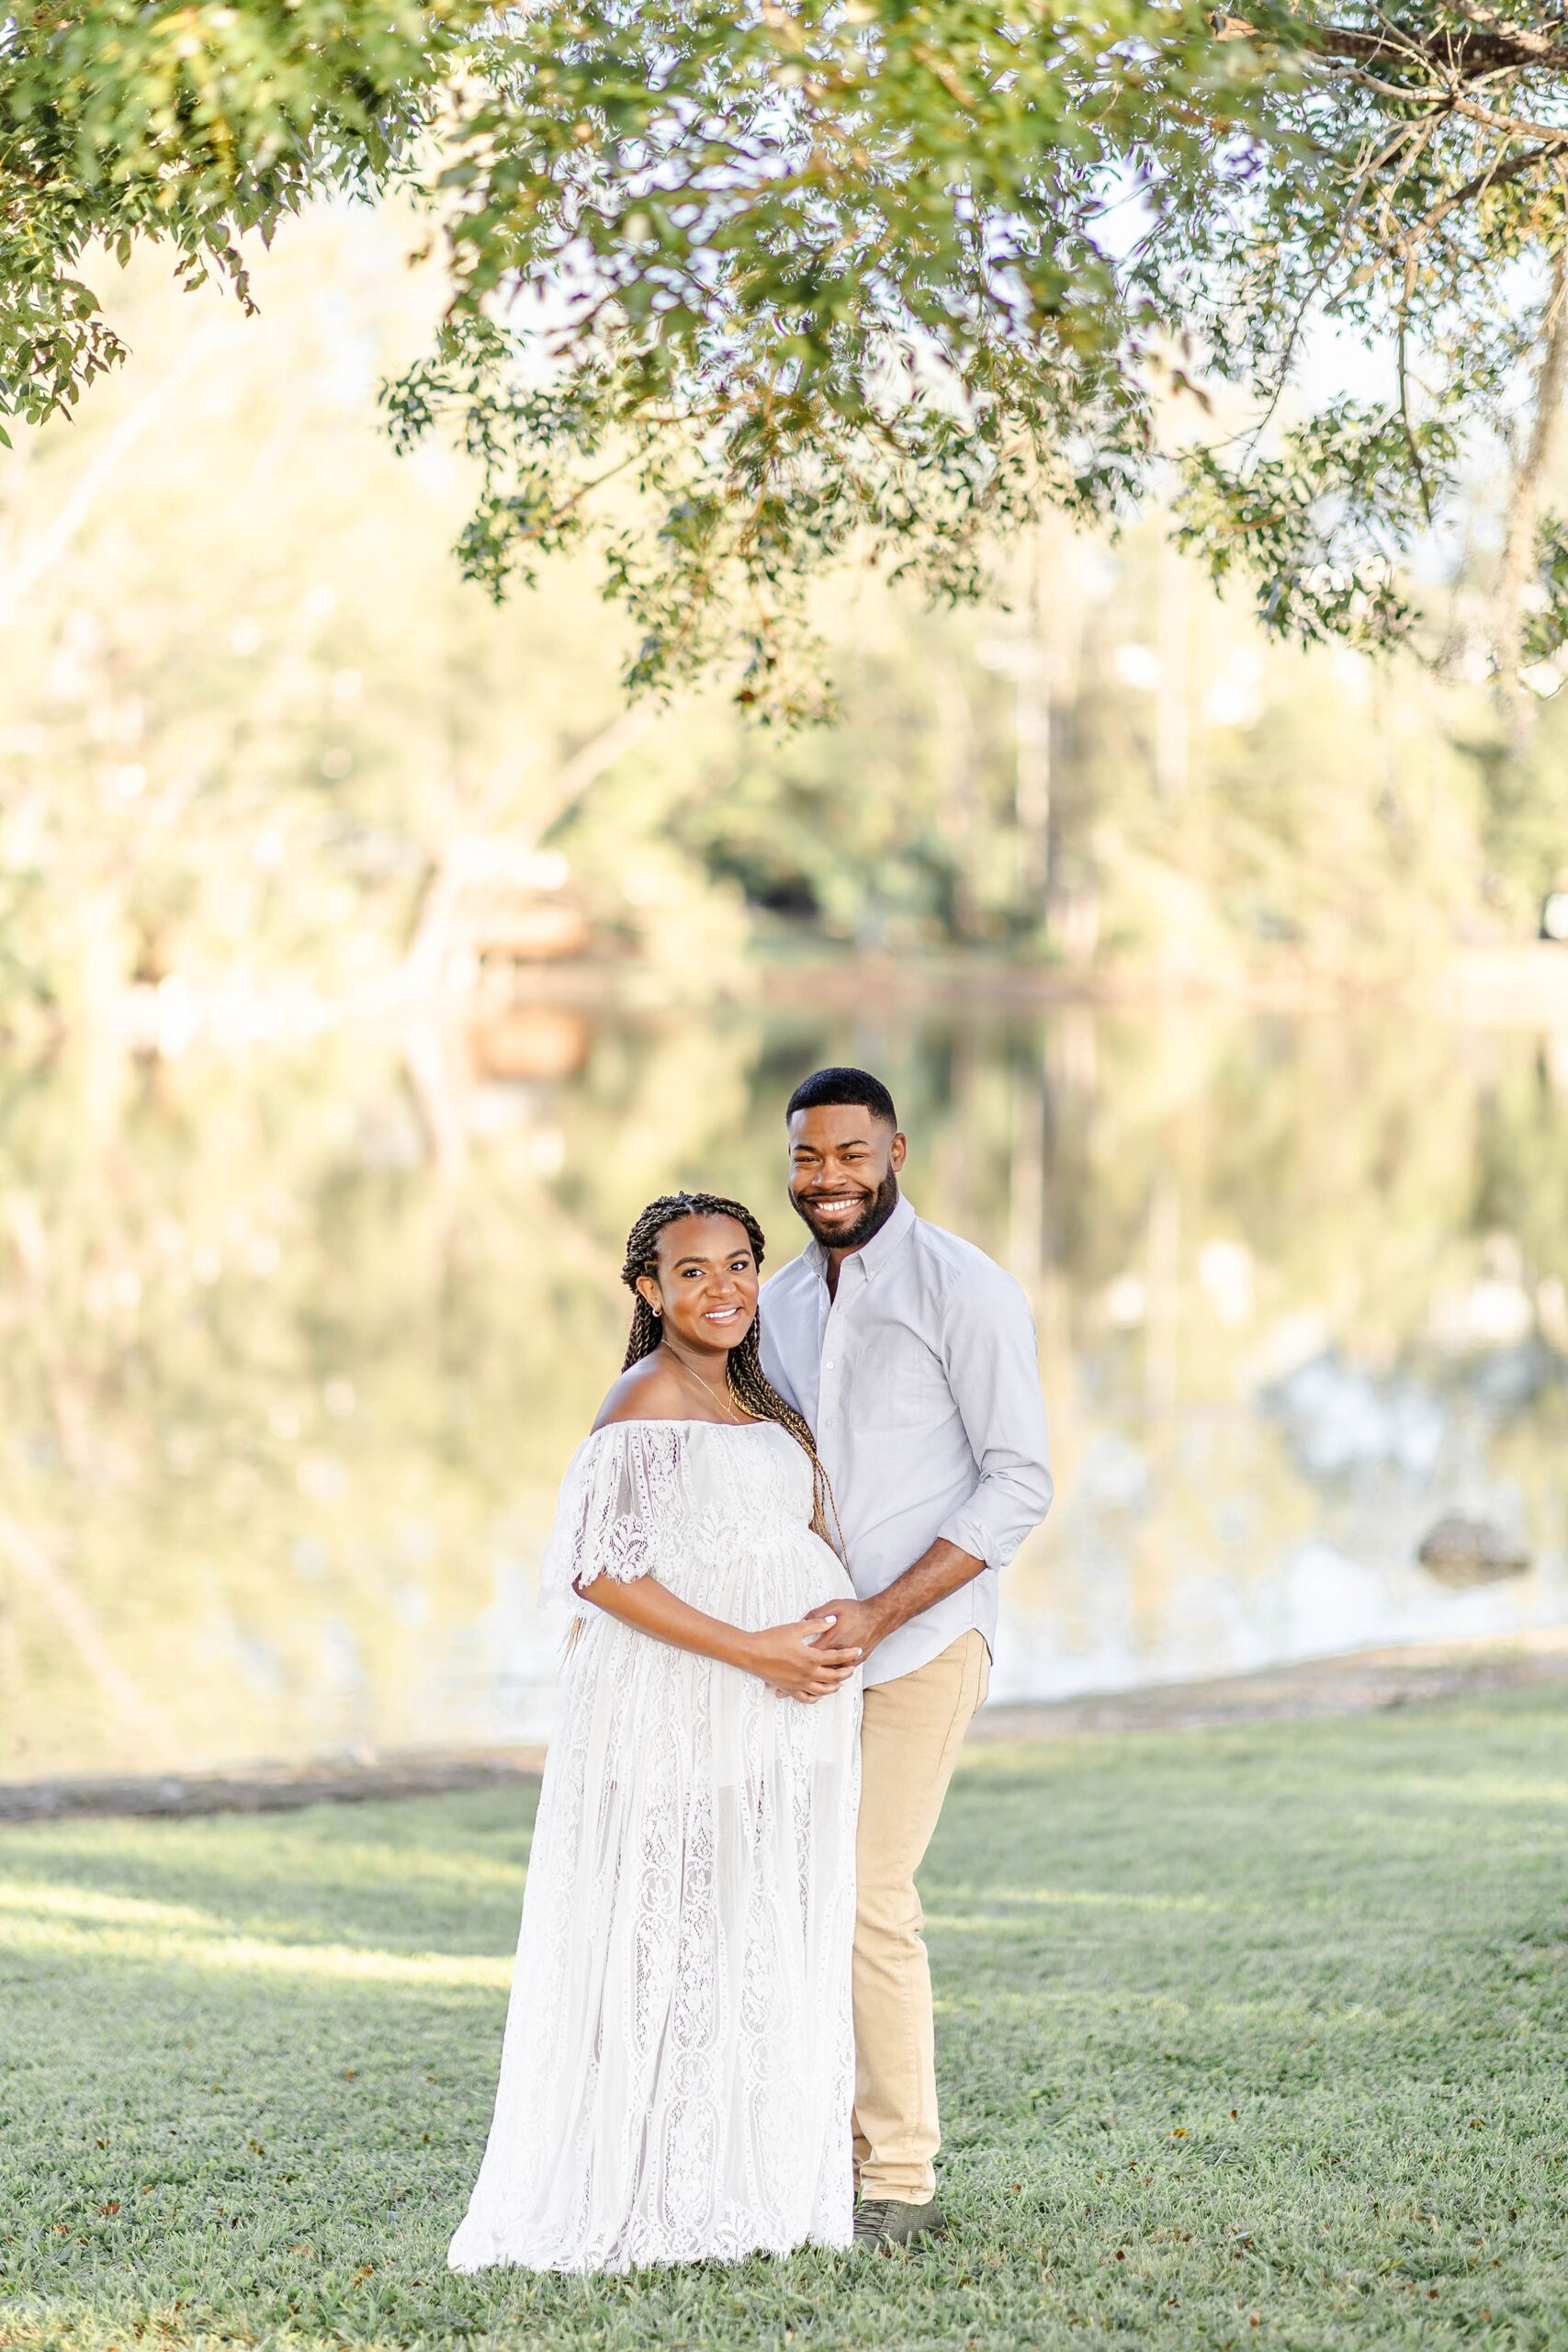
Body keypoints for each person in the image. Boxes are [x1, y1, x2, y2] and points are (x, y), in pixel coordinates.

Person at [448, 1192, 864, 2275]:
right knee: (671, 1938)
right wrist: (759, 1649)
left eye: (739, 1265)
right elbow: (598, 1571)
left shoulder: (752, 1398)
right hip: (691, 1707)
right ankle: (650, 2188)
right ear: (649, 1290)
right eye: (693, 1272)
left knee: (748, 1936)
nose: (722, 1288)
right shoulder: (641, 1402)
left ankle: (742, 2177)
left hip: (777, 1716)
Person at [760, 1067, 1054, 2250]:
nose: (828, 1178)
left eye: (850, 1154)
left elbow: (1020, 1478)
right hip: (807, 1652)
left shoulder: (963, 1288)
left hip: (925, 1638)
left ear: (897, 1152)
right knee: (797, 1899)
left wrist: (882, 1612)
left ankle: (901, 2183)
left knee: (870, 1896)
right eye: (807, 1158)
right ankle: (815, 2161)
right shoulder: (777, 1299)